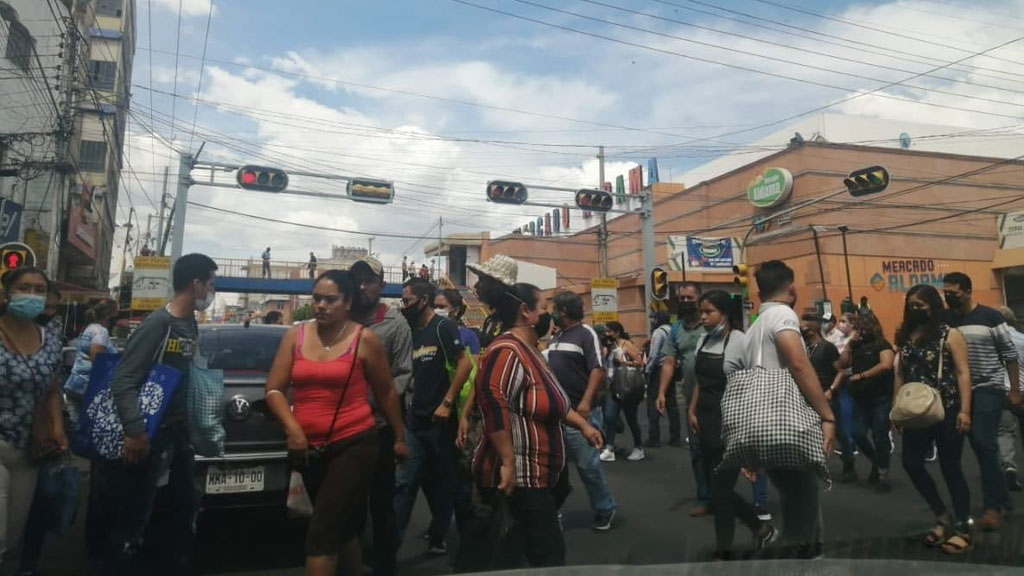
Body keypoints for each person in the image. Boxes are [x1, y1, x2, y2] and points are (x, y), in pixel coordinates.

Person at [264, 269, 407, 576]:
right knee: (341, 527)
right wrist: (293, 430)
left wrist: (399, 437)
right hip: (308, 450)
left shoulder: (365, 340)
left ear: (348, 302)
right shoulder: (295, 336)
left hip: (354, 443)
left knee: (322, 532)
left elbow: (386, 394)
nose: (321, 306)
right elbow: (274, 389)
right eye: (316, 298)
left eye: (330, 300)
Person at [100, 253, 217, 575]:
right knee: (134, 519)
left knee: (183, 509)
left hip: (179, 434)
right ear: (196, 284)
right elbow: (123, 379)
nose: (211, 291)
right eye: (211, 283)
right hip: (152, 435)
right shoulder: (159, 323)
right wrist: (136, 431)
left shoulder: (189, 323)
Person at [472, 283, 603, 568]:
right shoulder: (507, 350)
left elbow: (555, 402)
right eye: (543, 308)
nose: (548, 315)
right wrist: (507, 460)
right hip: (521, 476)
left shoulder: (531, 351)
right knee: (547, 555)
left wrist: (583, 425)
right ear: (525, 311)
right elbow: (493, 402)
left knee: (521, 551)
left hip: (541, 475)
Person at [726, 260, 836, 559]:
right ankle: (802, 560)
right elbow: (798, 363)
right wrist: (827, 415)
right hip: (788, 424)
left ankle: (805, 553)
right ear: (791, 288)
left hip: (762, 426)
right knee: (802, 503)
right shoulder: (784, 315)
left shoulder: (753, 329)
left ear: (760, 293)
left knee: (796, 500)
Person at [687, 290, 777, 560]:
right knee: (717, 489)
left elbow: (753, 387)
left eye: (708, 312)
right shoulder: (703, 340)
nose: (702, 317)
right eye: (701, 312)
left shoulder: (740, 341)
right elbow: (701, 383)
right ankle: (761, 530)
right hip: (704, 422)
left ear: (724, 313)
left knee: (720, 491)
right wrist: (692, 410)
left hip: (730, 423)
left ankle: (725, 548)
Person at [893, 284, 973, 555]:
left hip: (947, 409)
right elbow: (900, 375)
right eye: (911, 305)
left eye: (920, 305)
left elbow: (963, 373)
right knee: (911, 463)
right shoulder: (906, 336)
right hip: (915, 411)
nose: (915, 310)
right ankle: (942, 515)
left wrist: (965, 410)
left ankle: (963, 527)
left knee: (951, 468)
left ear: (933, 305)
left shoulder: (949, 334)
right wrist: (896, 409)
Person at [394, 277, 472, 556]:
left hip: (441, 425)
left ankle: (451, 541)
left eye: (407, 301)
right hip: (414, 425)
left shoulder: (443, 327)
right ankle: (387, 551)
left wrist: (448, 402)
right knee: (403, 484)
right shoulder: (409, 332)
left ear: (423, 300)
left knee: (447, 485)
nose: (404, 306)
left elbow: (465, 364)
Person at [348, 257, 412, 576]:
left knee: (382, 503)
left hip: (380, 427)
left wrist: (374, 397)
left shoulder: (395, 324)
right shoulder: (339, 319)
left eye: (368, 280)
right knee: (348, 505)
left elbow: (403, 374)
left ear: (381, 287)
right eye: (356, 279)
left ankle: (385, 565)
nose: (362, 286)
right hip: (343, 431)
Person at [943, 272, 1020, 531]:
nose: (948, 297)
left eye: (952, 293)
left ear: (966, 291)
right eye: (945, 292)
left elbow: (1010, 355)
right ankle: (1004, 501)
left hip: (989, 387)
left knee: (983, 442)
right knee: (978, 446)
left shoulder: (990, 317)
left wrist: (1014, 392)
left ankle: (993, 508)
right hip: (960, 390)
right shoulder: (948, 319)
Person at [0, 267, 65, 565]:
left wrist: (58, 428)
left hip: (30, 450)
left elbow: (52, 389)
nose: (33, 295)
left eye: (40, 290)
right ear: (6, 293)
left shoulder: (50, 337)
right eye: (24, 287)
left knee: (12, 538)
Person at [545, 291, 618, 530]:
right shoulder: (557, 336)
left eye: (554, 308)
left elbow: (597, 370)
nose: (551, 313)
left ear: (563, 311)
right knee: (555, 468)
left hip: (581, 412)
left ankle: (605, 508)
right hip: (558, 413)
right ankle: (552, 511)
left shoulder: (586, 334)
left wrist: (586, 403)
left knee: (588, 466)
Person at [656, 282, 707, 516]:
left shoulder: (711, 324)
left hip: (720, 398)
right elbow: (668, 361)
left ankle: (724, 496)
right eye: (682, 297)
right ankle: (706, 497)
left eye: (690, 297)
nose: (686, 301)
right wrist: (661, 392)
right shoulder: (676, 330)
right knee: (697, 451)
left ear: (700, 298)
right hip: (692, 403)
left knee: (723, 450)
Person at [835, 313, 895, 492]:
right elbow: (842, 365)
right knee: (857, 433)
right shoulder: (856, 346)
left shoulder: (883, 345)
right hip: (860, 398)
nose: (858, 331)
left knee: (880, 436)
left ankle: (883, 474)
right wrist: (849, 345)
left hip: (880, 398)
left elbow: (886, 365)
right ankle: (877, 462)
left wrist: (862, 375)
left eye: (861, 327)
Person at [801, 313, 852, 481]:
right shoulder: (805, 348)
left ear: (814, 328)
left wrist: (831, 390)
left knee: (840, 433)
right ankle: (817, 464)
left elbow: (841, 372)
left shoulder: (827, 347)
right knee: (813, 431)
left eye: (805, 327)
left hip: (828, 395)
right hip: (810, 395)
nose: (802, 329)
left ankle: (849, 465)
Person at [600, 321, 645, 462]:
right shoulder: (607, 347)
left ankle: (638, 447)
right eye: (606, 331)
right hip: (612, 386)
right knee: (609, 416)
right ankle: (609, 447)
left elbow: (640, 363)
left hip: (626, 387)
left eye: (610, 331)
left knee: (631, 418)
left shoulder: (626, 345)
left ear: (617, 332)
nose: (607, 334)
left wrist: (624, 362)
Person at [996, 306, 1024, 492]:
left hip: (1002, 391)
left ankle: (1009, 465)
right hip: (1022, 389)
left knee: (1004, 431)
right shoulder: (1022, 339)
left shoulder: (993, 340)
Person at [467, 255, 518, 349]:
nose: (476, 286)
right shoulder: (491, 319)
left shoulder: (515, 321)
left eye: (481, 280)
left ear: (495, 286)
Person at [645, 312, 672, 449]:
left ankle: (654, 437)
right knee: (671, 404)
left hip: (659, 369)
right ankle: (675, 436)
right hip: (671, 368)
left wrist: (648, 370)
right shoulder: (673, 330)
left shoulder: (658, 332)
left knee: (653, 402)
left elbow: (654, 354)